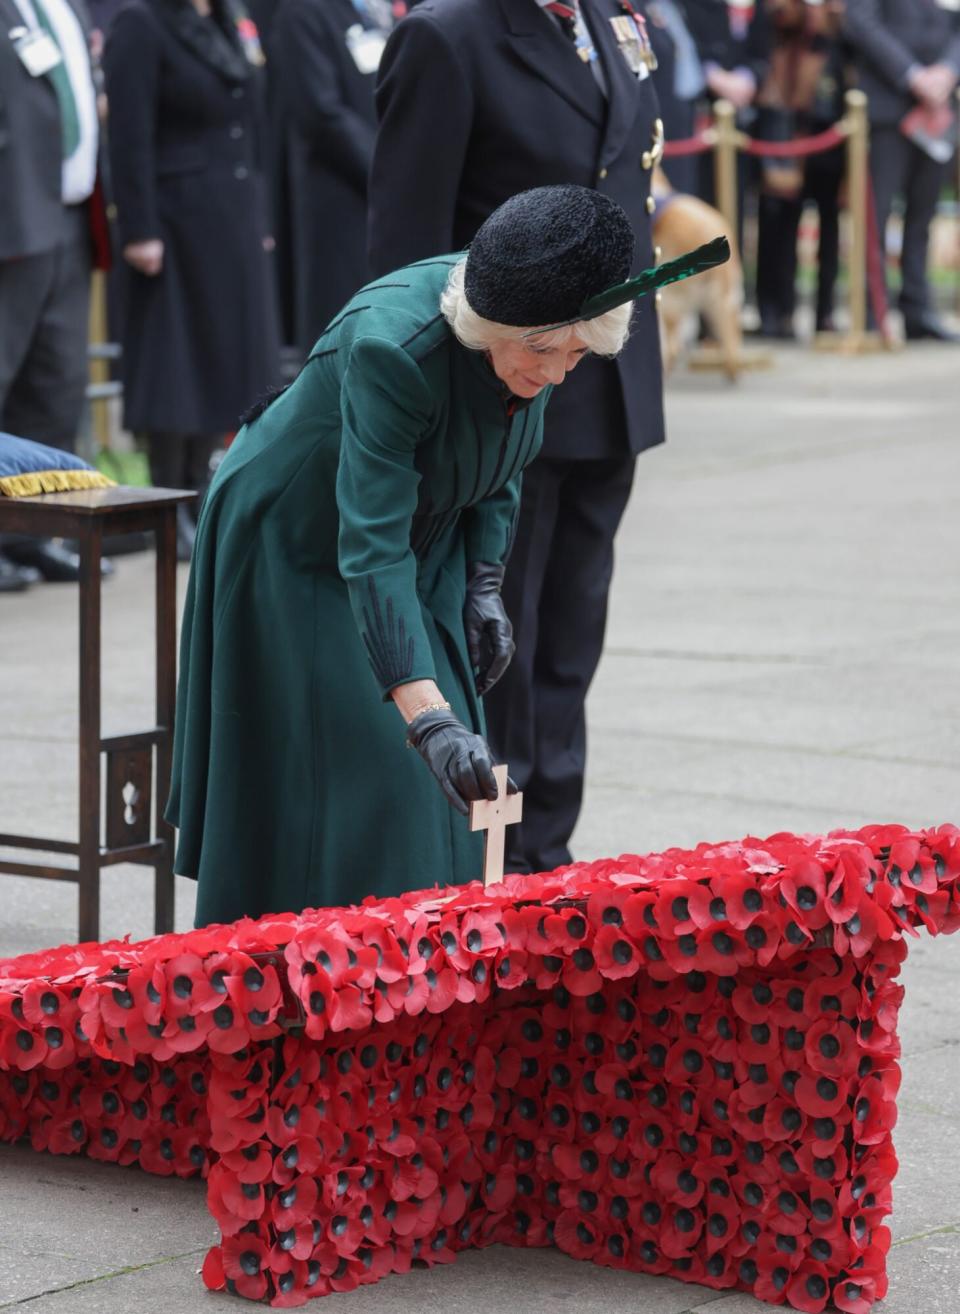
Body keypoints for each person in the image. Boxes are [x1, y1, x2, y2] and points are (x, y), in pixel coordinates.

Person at [168, 183, 727, 925]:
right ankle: (304, 986)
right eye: (543, 350)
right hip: (297, 547)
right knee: (380, 779)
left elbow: (504, 455)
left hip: (421, 535)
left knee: (453, 795)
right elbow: (369, 549)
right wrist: (426, 715)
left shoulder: (545, 319)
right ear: (491, 323)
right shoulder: (390, 351)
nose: (558, 371)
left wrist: (485, 581)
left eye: (576, 353)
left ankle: (420, 993)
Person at [368, 0, 668, 876]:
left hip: (604, 381)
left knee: (571, 642)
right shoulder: (449, 35)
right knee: (504, 643)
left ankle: (549, 850)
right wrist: (423, 407)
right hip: (499, 395)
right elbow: (405, 248)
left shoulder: (611, 22)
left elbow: (626, 173)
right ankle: (491, 864)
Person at [103, 0, 282, 560]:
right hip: (173, 221)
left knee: (222, 360)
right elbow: (129, 133)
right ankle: (168, 501)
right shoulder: (142, 22)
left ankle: (203, 495)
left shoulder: (225, 20)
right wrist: (139, 228)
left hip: (229, 215)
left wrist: (260, 216)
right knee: (175, 363)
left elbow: (248, 125)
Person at [0, 0, 111, 590]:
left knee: (56, 385)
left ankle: (31, 534)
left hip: (70, 216)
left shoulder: (66, 6)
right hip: (13, 217)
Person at [268, 0, 405, 355]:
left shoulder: (384, 10)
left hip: (394, 196)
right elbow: (320, 112)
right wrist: (390, 169)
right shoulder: (302, 13)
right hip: (340, 197)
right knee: (342, 324)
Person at [844, 0, 960, 342]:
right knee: (875, 215)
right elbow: (861, 21)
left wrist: (949, 70)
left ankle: (917, 311)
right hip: (887, 105)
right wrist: (913, 74)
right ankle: (870, 311)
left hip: (939, 109)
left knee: (923, 215)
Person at [753, 0, 847, 339]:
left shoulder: (836, 29)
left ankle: (825, 314)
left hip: (830, 131)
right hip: (784, 130)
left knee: (831, 228)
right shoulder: (779, 26)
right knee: (778, 224)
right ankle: (777, 313)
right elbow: (775, 17)